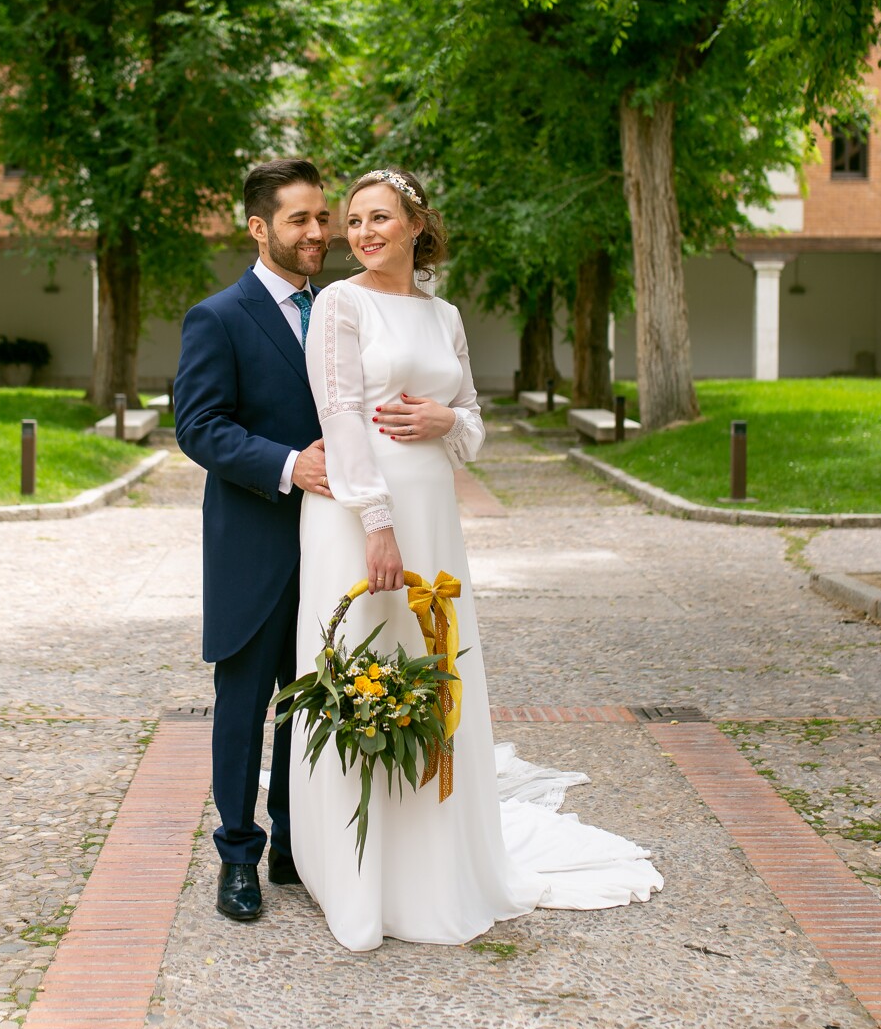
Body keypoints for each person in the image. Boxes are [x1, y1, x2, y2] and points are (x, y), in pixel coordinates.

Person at [289, 167, 662, 951]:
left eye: (379, 217)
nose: (362, 232)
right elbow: (343, 415)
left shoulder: (446, 313)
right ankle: (360, 875)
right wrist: (377, 523)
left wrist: (445, 415)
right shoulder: (339, 304)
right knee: (367, 668)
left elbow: (475, 425)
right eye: (353, 220)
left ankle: (434, 865)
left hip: (434, 511)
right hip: (362, 513)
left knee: (433, 668)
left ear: (417, 225)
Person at [173, 158, 333, 922]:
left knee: (312, 699)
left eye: (321, 217)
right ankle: (238, 853)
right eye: (300, 219)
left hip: (331, 544)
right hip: (253, 541)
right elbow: (199, 427)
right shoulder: (219, 316)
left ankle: (294, 842)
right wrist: (288, 465)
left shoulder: (340, 310)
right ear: (259, 227)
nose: (317, 233)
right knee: (244, 707)